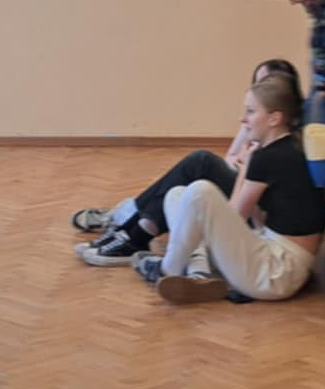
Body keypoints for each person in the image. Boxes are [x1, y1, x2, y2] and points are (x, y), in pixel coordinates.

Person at [72, 60, 302, 266]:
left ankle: (129, 229)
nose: (260, 90)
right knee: (193, 170)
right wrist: (241, 163)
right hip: (245, 189)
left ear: (279, 107)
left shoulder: (276, 145)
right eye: (258, 83)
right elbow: (231, 156)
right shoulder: (261, 130)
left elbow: (238, 214)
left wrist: (244, 167)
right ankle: (130, 229)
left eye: (267, 86)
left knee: (199, 163)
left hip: (252, 212)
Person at [131, 74, 325, 305]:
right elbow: (259, 217)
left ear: (274, 118)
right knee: (177, 195)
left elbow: (236, 215)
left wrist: (245, 169)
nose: (242, 119)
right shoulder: (287, 147)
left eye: (251, 112)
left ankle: (168, 270)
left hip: (276, 272)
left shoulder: (268, 157)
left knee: (200, 191)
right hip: (274, 258)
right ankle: (198, 271)